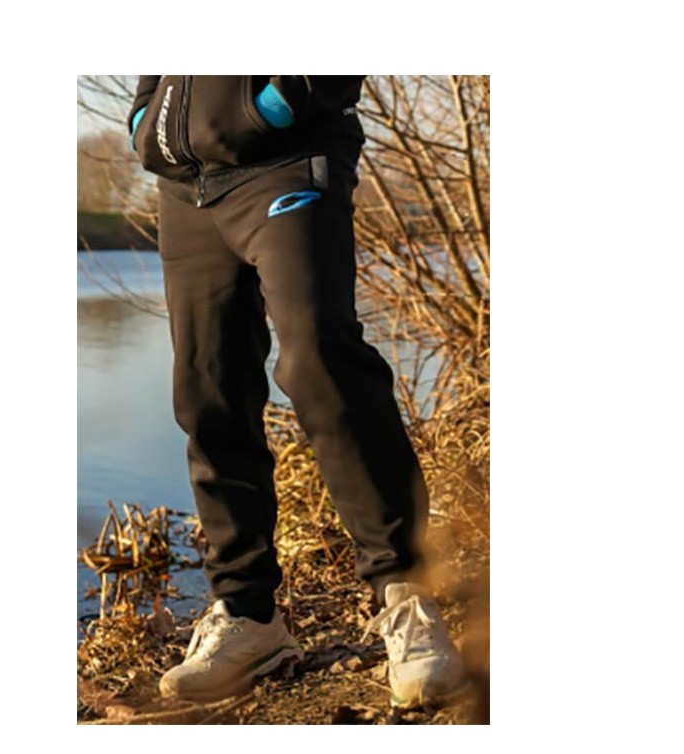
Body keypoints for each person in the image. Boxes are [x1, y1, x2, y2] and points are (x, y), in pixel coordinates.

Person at [127, 75, 467, 709]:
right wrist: (149, 121)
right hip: (186, 186)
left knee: (319, 358)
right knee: (207, 389)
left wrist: (273, 106)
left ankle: (406, 597)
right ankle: (246, 614)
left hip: (286, 159)